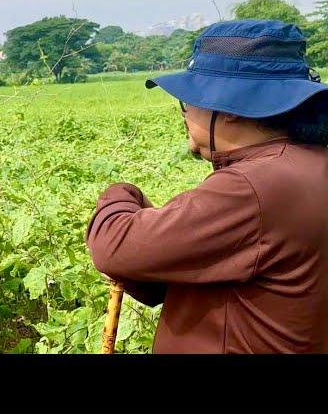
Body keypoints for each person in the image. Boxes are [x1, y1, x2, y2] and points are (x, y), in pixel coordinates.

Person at [86, 19, 328, 353]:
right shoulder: (310, 163)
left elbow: (116, 247)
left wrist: (121, 194)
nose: (185, 114)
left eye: (189, 100)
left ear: (229, 108)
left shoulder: (253, 187)